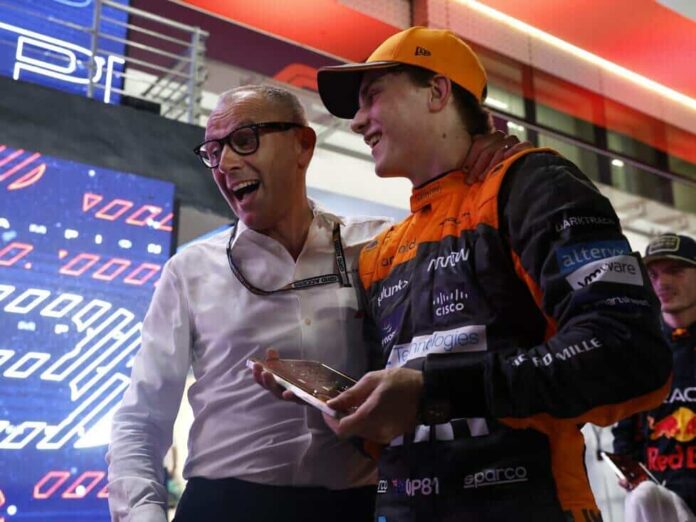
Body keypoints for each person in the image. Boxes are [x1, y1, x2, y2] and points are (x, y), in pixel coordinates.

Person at [106, 84, 525, 522]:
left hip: (359, 504)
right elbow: (141, 418)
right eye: (213, 152)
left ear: (302, 145)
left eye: (244, 141)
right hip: (224, 504)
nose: (226, 163)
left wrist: (486, 166)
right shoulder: (188, 272)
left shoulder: (382, 246)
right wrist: (143, 514)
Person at [311, 26, 672, 521]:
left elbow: (630, 351)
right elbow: (388, 425)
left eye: (372, 97)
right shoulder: (381, 253)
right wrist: (345, 405)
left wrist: (436, 391)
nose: (357, 122)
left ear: (437, 91)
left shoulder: (533, 185)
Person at [612, 233, 696, 522]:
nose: (662, 283)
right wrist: (631, 474)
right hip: (663, 506)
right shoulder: (640, 349)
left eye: (675, 270)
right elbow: (625, 432)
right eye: (653, 274)